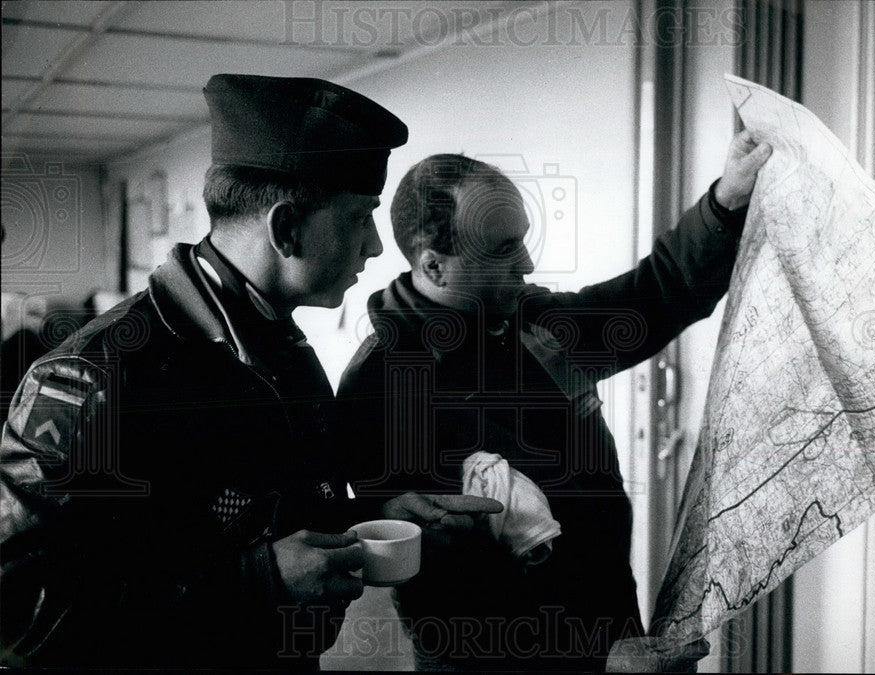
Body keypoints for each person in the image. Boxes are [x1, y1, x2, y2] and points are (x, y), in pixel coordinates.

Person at [0, 74, 500, 669]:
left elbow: (271, 512)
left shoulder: (280, 345)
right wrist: (255, 582)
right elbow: (20, 615)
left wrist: (371, 518)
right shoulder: (92, 377)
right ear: (286, 229)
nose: (373, 246)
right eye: (357, 219)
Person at [337, 133, 771, 670]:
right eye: (501, 249)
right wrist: (594, 659)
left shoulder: (529, 321)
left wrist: (724, 204)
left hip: (614, 630)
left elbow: (651, 297)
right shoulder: (381, 388)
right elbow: (446, 603)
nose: (526, 262)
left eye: (522, 239)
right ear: (433, 266)